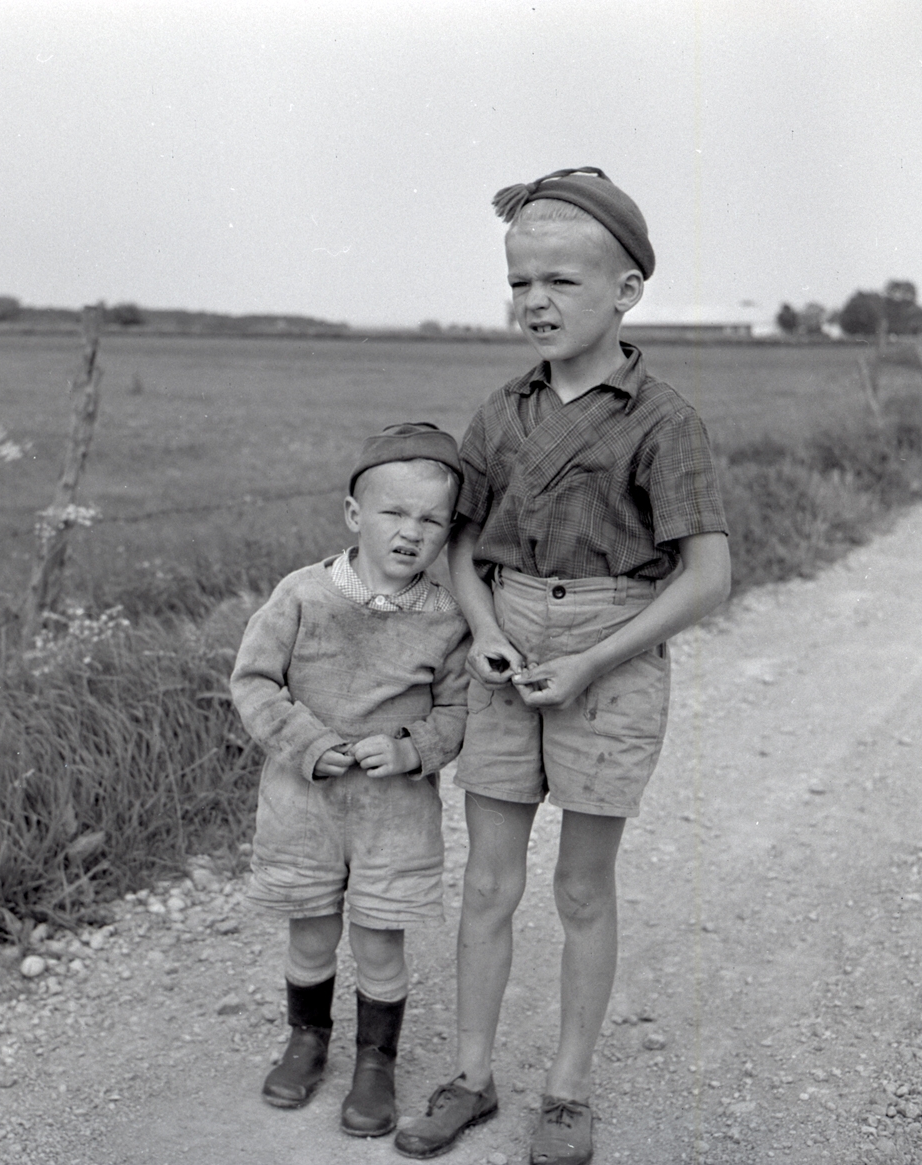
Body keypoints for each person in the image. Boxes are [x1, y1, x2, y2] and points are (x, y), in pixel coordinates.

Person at [395, 168, 732, 1164]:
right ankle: (469, 1075)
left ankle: (569, 1089)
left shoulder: (662, 420)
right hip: (505, 643)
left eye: (560, 281)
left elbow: (706, 576)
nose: (534, 301)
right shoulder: (500, 413)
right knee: (487, 881)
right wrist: (482, 626)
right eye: (519, 282)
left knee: (581, 888)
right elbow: (463, 542)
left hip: (611, 648)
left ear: (626, 291)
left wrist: (589, 659)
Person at [229, 422, 471, 1138]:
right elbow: (253, 680)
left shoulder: (447, 618)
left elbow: (459, 710)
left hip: (394, 812)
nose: (410, 533)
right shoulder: (302, 594)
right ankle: (306, 1041)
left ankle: (375, 1061)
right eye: (393, 512)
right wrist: (304, 742)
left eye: (431, 520)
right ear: (353, 514)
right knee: (310, 931)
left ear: (448, 531)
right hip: (302, 803)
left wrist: (412, 748)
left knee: (379, 942)